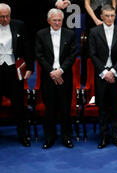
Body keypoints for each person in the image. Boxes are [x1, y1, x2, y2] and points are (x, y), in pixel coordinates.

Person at [35, 8, 77, 149]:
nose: (57, 23)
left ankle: (66, 137)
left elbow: (72, 55)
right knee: (50, 109)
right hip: (48, 77)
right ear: (48, 21)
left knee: (65, 108)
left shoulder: (70, 34)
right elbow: (39, 55)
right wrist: (52, 72)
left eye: (60, 20)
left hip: (65, 76)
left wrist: (60, 71)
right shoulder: (40, 34)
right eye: (54, 20)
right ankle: (49, 137)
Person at [89, 4, 117, 149]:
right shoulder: (94, 32)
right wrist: (105, 72)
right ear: (101, 16)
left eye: (112, 15)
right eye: (107, 15)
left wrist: (113, 71)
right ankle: (104, 137)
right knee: (103, 108)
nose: (110, 18)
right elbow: (92, 54)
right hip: (101, 76)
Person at [0, 3, 34, 147]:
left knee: (18, 105)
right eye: (2, 17)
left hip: (14, 70)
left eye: (7, 16)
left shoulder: (19, 25)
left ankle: (23, 135)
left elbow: (27, 46)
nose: (5, 19)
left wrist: (30, 67)